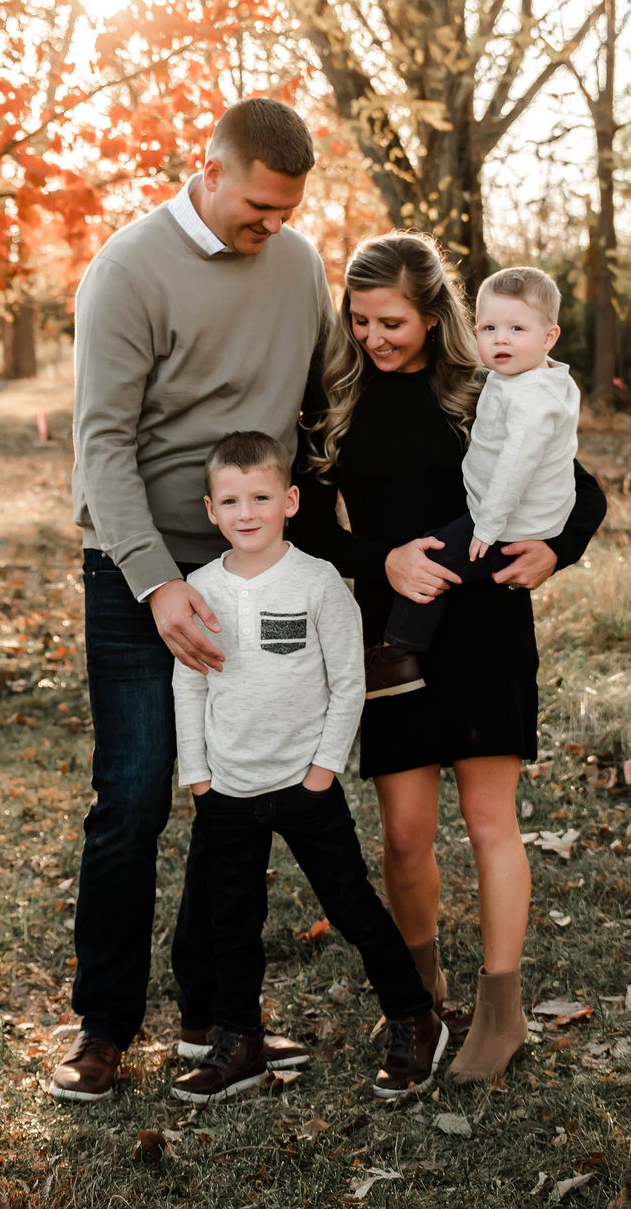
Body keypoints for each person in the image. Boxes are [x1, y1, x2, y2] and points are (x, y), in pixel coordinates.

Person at [52, 98, 330, 1102]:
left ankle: (210, 1012)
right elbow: (102, 447)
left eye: (287, 209)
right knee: (133, 797)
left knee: (239, 798)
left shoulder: (298, 264)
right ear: (205, 172)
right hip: (137, 568)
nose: (273, 226)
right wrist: (157, 583)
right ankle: (104, 1025)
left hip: (250, 568)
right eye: (258, 206)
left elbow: (323, 400)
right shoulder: (127, 271)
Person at [291, 233, 607, 1085]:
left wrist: (557, 550)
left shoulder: (486, 389)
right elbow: (309, 525)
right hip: (390, 631)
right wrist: (381, 559)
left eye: (390, 321)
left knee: (489, 819)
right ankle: (418, 999)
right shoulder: (333, 403)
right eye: (357, 320)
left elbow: (581, 487)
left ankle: (501, 1013)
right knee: (403, 831)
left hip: (485, 630)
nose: (372, 337)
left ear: (435, 317)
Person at [168, 432, 446, 1104]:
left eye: (261, 497)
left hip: (304, 784)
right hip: (228, 788)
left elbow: (349, 683)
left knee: (351, 906)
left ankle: (416, 1017)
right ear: (211, 510)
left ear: (290, 500)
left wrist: (324, 768)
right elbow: (190, 686)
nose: (247, 512)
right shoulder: (198, 590)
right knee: (232, 921)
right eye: (231, 500)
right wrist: (198, 776)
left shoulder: (317, 581)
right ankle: (243, 1043)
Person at [370, 265, 578, 689]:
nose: (500, 339)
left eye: (516, 328)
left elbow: (515, 465)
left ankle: (397, 654)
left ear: (548, 337)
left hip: (507, 524)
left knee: (433, 564)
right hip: (506, 515)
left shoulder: (532, 399)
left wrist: (487, 527)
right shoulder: (520, 378)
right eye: (488, 327)